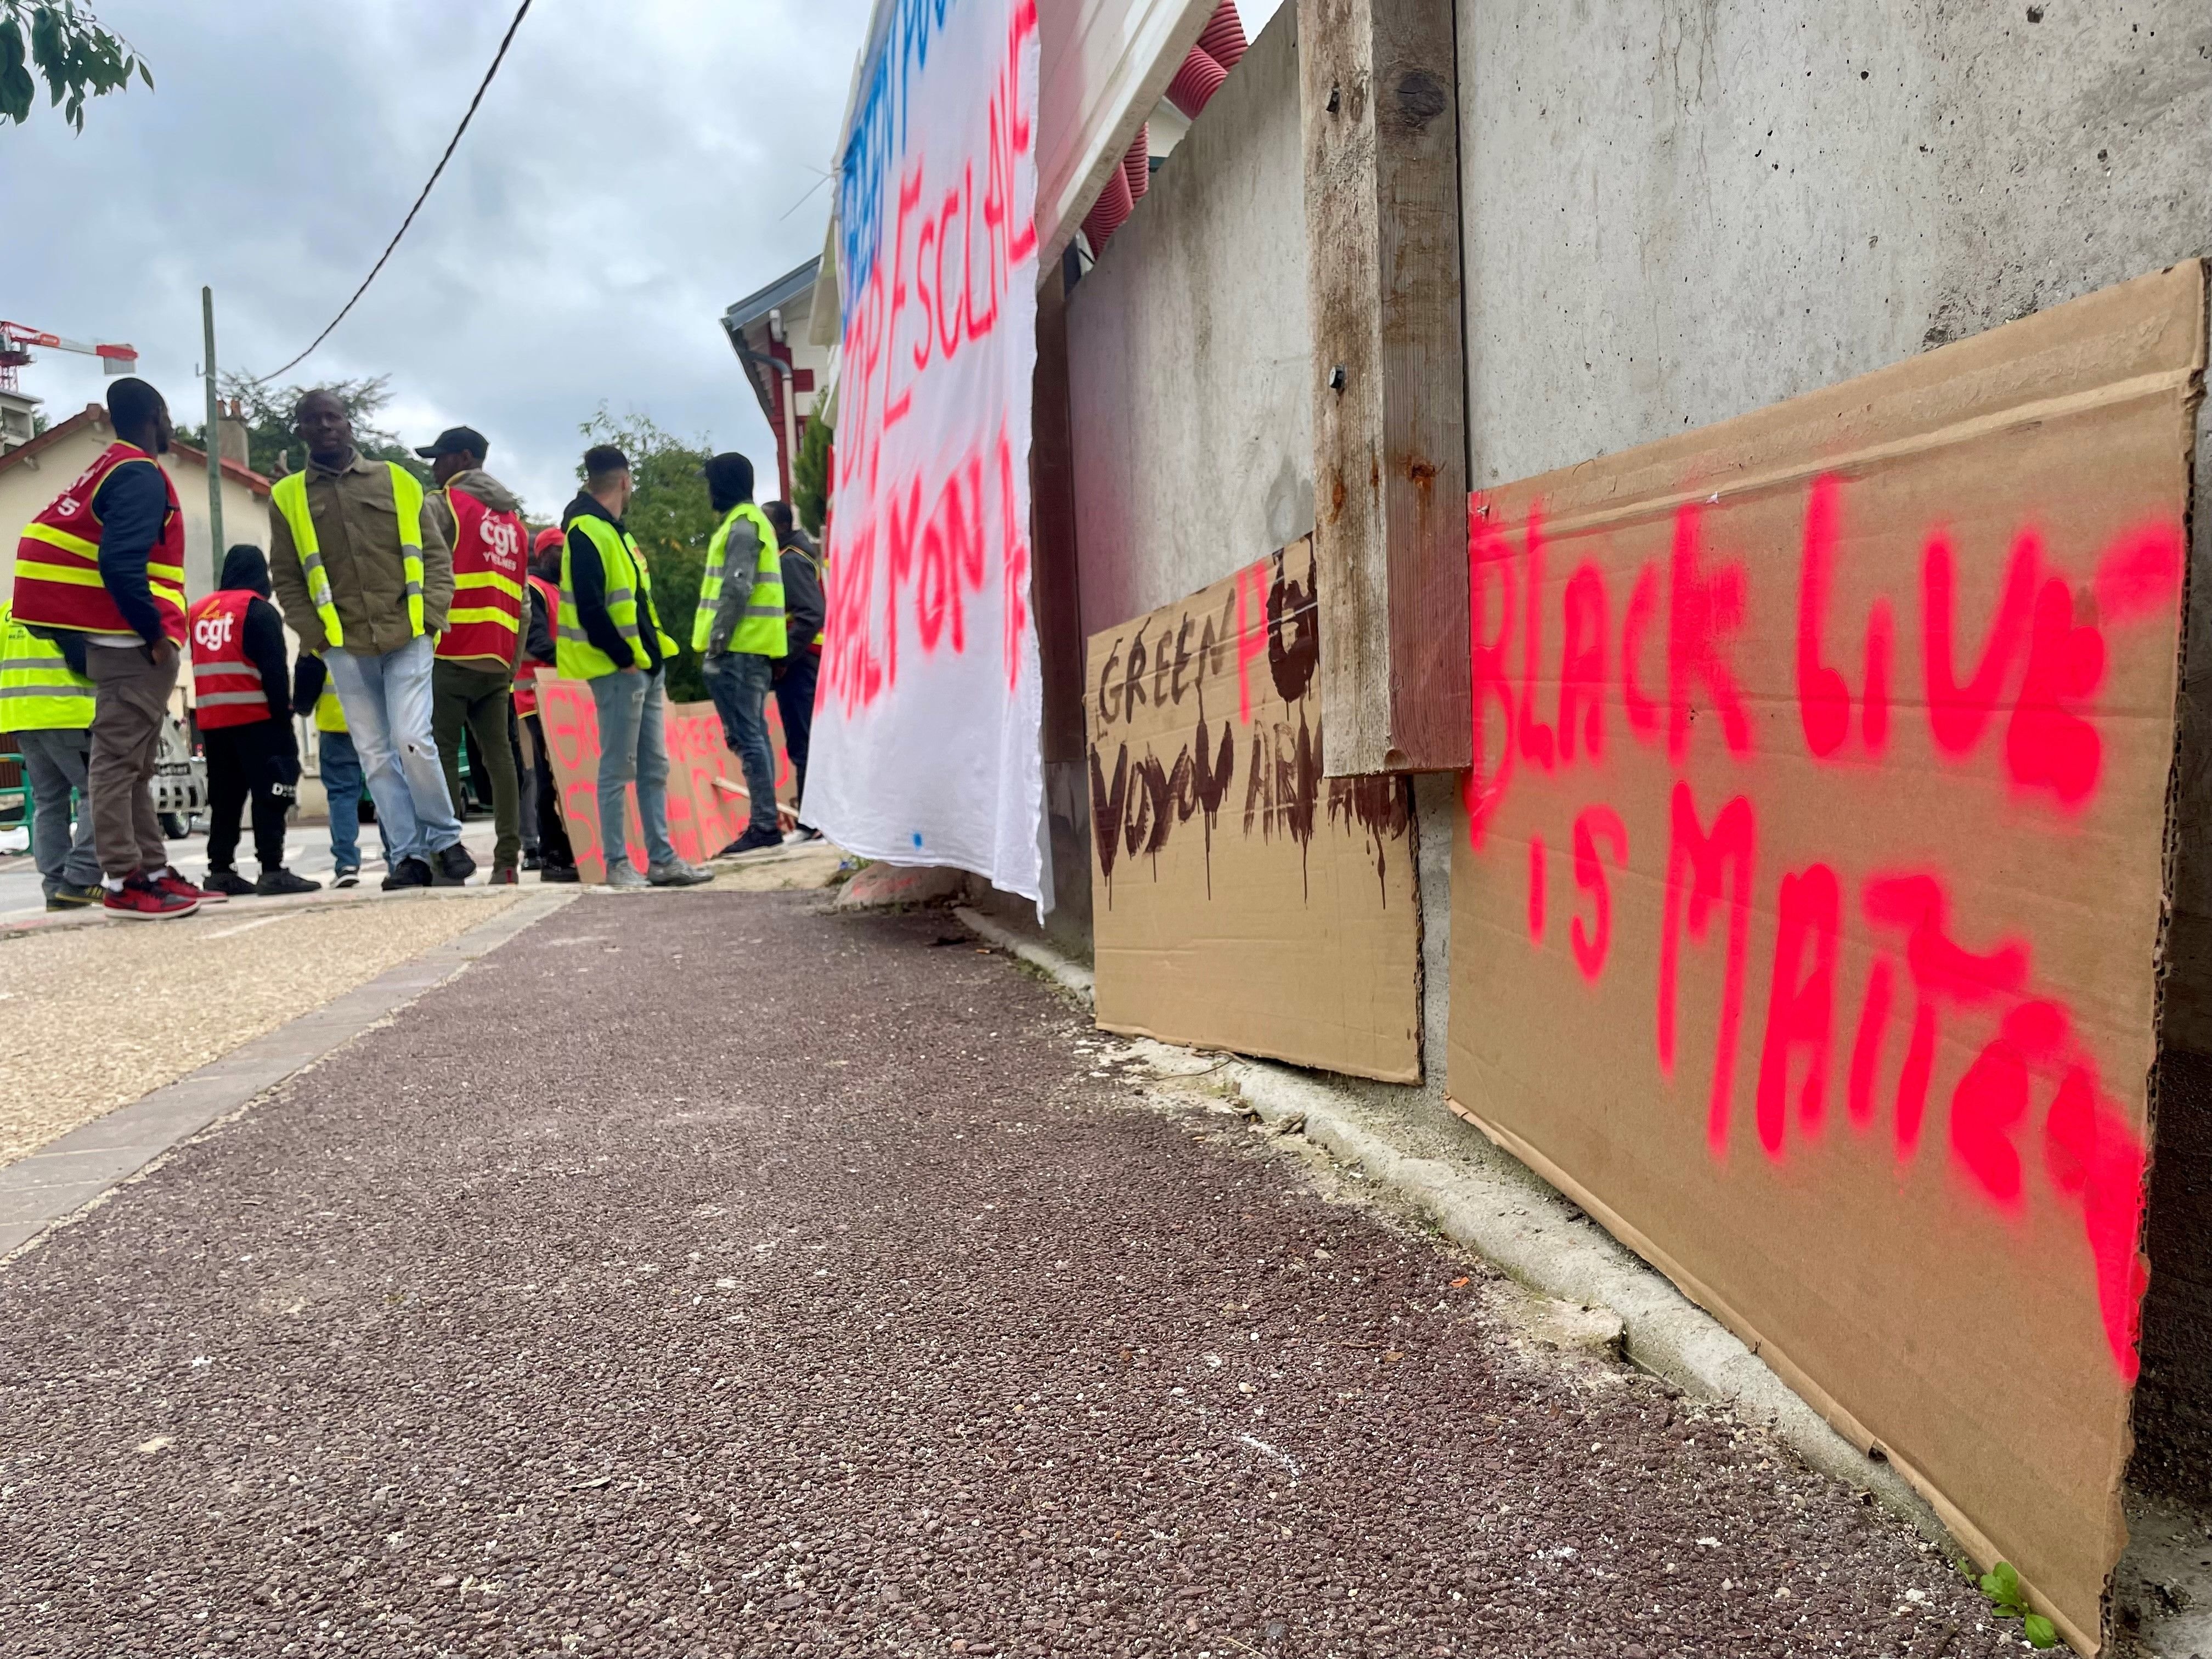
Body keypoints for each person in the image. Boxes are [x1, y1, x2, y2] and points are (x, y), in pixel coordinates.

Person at [9, 377, 205, 918]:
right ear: (157, 415)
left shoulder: (106, 467)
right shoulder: (139, 474)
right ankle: (125, 881)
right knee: (119, 763)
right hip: (133, 643)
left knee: (134, 764)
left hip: (111, 643)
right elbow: (119, 561)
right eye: (167, 417)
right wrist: (154, 636)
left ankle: (154, 870)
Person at [267, 389, 474, 892]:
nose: (325, 426)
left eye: (333, 416)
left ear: (349, 422)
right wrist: (314, 635)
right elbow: (287, 574)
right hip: (343, 642)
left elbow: (435, 554)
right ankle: (409, 857)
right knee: (375, 755)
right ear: (301, 432)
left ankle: (445, 839)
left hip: (407, 631)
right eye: (312, 420)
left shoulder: (397, 480)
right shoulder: (288, 496)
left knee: (412, 739)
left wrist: (431, 616)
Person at [557, 445, 709, 889]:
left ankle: (661, 860)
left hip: (642, 665)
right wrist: (625, 660)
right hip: (620, 668)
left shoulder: (612, 532)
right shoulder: (589, 530)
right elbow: (590, 607)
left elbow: (634, 606)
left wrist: (649, 660)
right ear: (625, 481)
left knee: (652, 766)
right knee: (617, 768)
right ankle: (618, 862)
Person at [417, 426, 528, 884]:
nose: (434, 467)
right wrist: (512, 662)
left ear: (464, 458)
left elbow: (422, 565)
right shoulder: (515, 522)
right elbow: (522, 603)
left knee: (440, 752)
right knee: (499, 759)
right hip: (498, 658)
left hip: (451, 650)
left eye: (440, 458)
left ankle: (448, 858)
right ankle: (507, 863)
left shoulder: (444, 504)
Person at [187, 545, 318, 897]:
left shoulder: (199, 612)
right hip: (257, 718)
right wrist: (284, 717)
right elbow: (274, 671)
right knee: (272, 793)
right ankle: (272, 868)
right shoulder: (257, 610)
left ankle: (220, 870)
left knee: (226, 799)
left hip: (214, 723)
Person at [695, 453, 785, 857]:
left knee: (748, 737)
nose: (707, 490)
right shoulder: (748, 522)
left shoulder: (743, 526)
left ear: (723, 484)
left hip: (738, 649)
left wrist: (717, 641)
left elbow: (736, 587)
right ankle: (765, 822)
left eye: (711, 482)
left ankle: (764, 825)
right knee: (753, 735)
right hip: (748, 648)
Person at [0, 600, 102, 909]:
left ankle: (56, 886)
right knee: (99, 792)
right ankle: (81, 878)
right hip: (68, 715)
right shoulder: (64, 604)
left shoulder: (7, 611)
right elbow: (85, 662)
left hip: (22, 718)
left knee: (49, 803)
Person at [293, 650, 389, 887]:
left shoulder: (324, 633)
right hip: (378, 724)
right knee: (387, 791)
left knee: (342, 795)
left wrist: (301, 706)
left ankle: (346, 865)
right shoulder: (378, 626)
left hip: (336, 726)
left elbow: (305, 688)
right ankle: (399, 859)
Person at [516, 527, 577, 882]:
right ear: (543, 554)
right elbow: (538, 641)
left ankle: (566, 848)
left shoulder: (562, 592)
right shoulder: (534, 589)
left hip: (562, 696)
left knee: (563, 777)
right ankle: (550, 853)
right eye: (559, 551)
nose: (564, 558)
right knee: (545, 779)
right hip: (535, 697)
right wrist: (578, 662)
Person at [761, 499, 823, 836]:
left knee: (803, 740)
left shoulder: (789, 562)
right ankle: (812, 820)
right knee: (805, 739)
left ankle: (810, 823)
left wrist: (784, 658)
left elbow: (811, 614)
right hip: (803, 662)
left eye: (766, 525)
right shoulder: (795, 556)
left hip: (800, 664)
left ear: (782, 528)